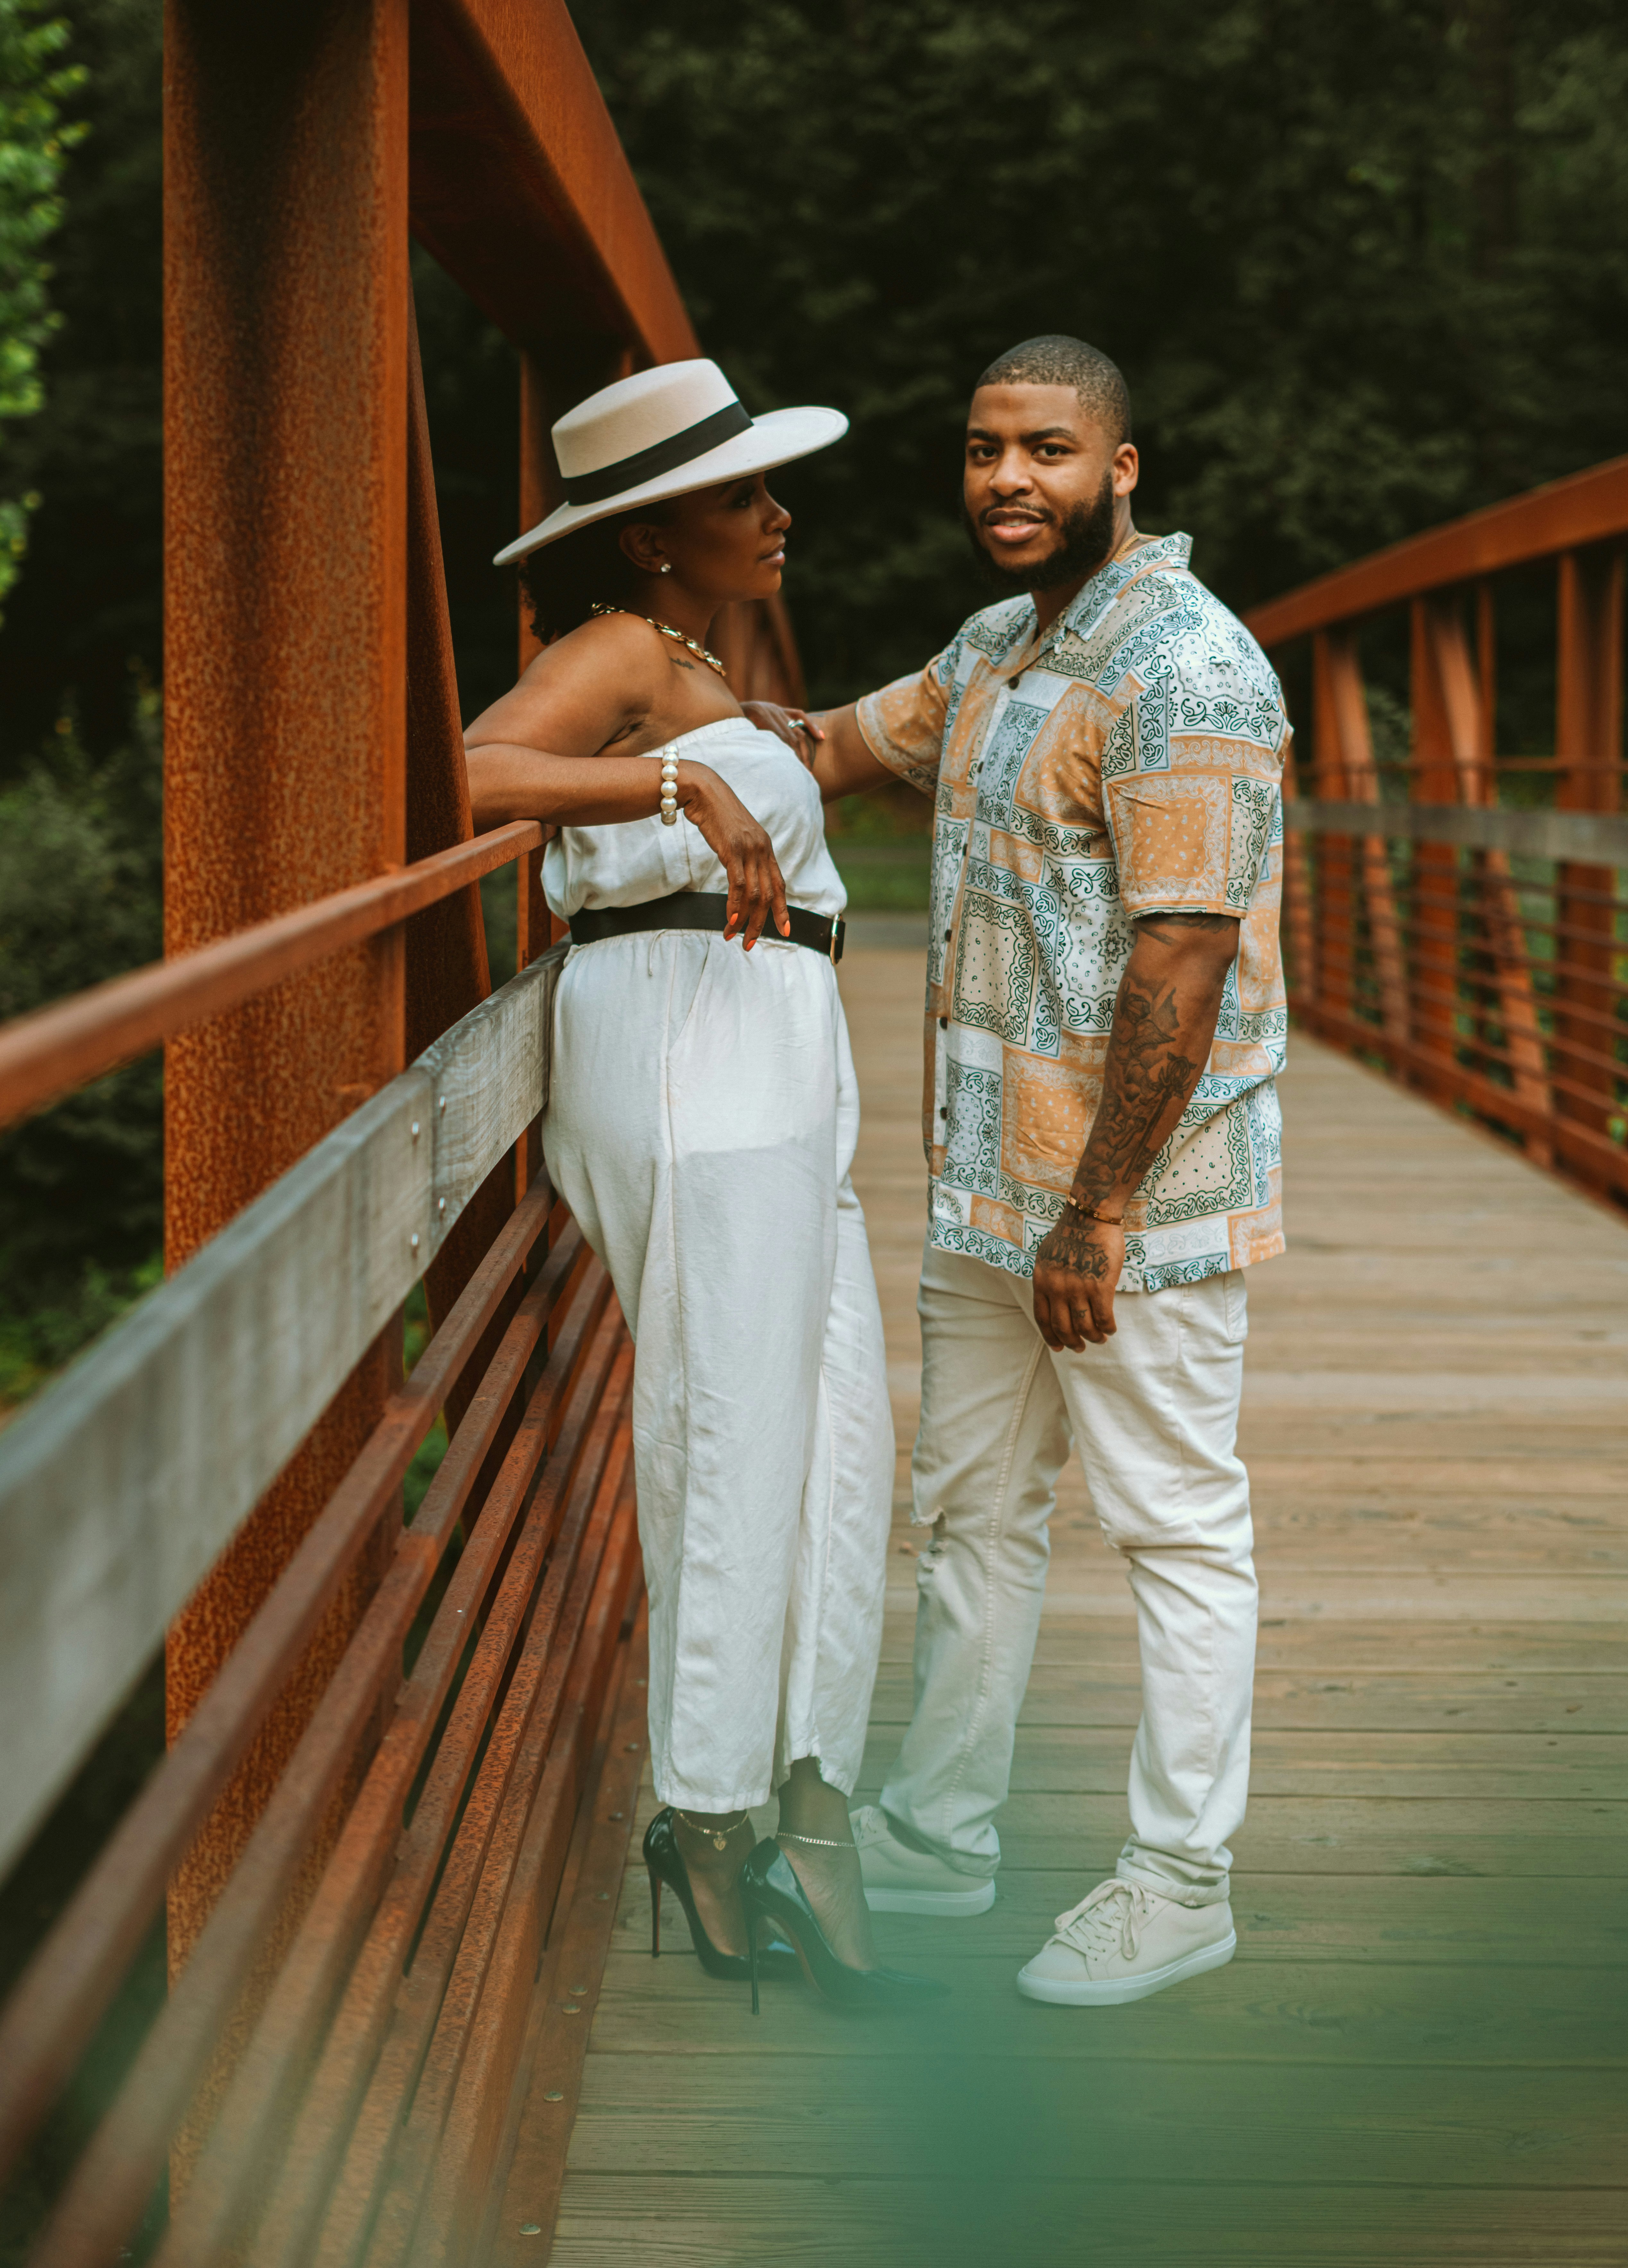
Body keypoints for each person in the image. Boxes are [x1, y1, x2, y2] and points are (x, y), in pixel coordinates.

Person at [803, 334, 1289, 2006]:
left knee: (1173, 1526)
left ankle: (1179, 1879)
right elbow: (822, 746)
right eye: (982, 447)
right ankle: (936, 1842)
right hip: (983, 1190)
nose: (1008, 477)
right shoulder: (1000, 650)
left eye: (1047, 450)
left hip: (1125, 1206)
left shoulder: (1188, 672)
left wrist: (1095, 1208)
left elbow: (1183, 959)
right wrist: (630, 686)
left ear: (1120, 467)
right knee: (970, 1517)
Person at [462, 358, 941, 2012]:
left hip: (780, 1063)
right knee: (736, 1439)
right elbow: (468, 774)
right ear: (657, 534)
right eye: (744, 494)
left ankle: (806, 1797)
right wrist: (675, 778)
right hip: (687, 1054)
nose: (778, 512)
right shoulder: (613, 656)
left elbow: (799, 763)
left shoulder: (693, 662)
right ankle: (719, 1814)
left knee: (834, 1439)